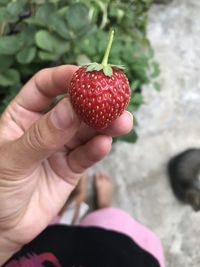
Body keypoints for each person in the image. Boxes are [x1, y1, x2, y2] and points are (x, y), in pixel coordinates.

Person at [0, 65, 164, 267]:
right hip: (113, 256)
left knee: (57, 228)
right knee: (112, 227)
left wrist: (4, 236)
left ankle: (76, 202)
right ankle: (103, 209)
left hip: (34, 246)